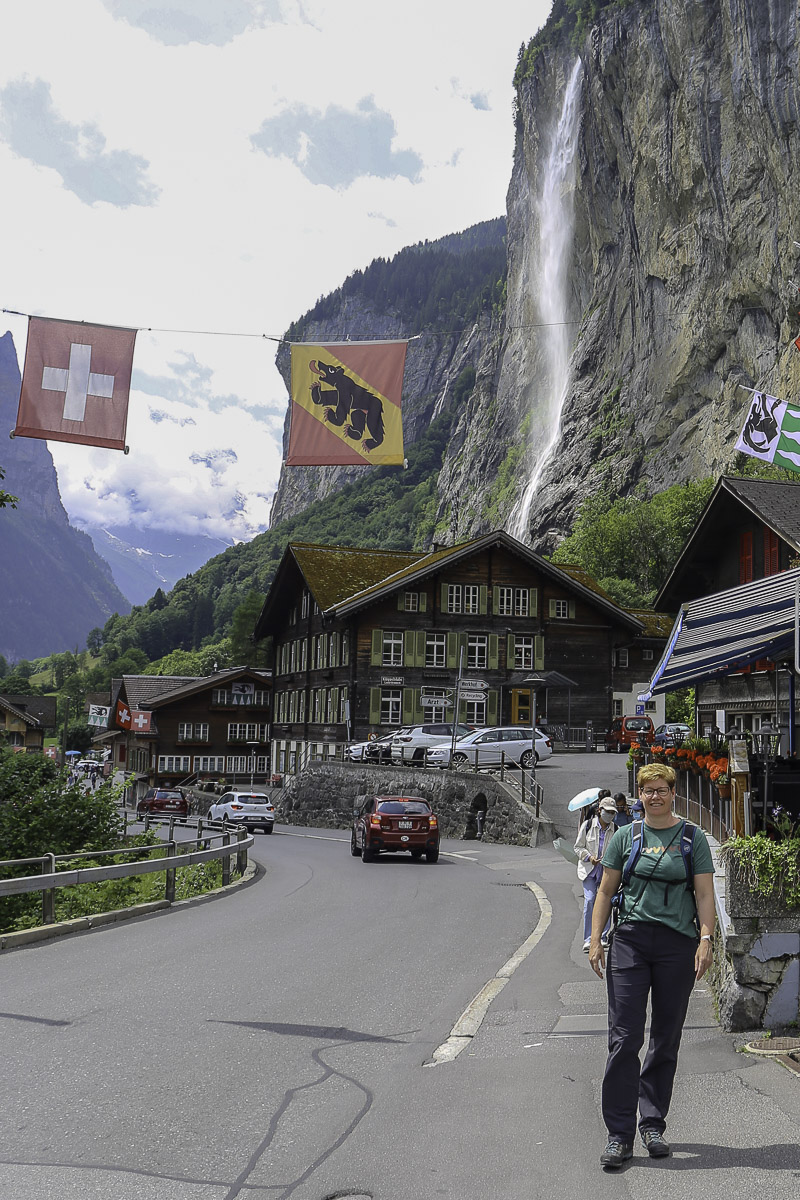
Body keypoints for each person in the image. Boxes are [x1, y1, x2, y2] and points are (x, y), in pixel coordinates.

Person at [589, 763, 715, 1169]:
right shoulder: (625, 837)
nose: (655, 796)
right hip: (630, 942)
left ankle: (653, 1123)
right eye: (648, 791)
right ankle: (619, 1135)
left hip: (677, 944)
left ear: (673, 792)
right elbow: (605, 892)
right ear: (639, 795)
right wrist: (595, 940)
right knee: (624, 1037)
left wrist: (706, 939)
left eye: (662, 790)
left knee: (665, 1036)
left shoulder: (692, 838)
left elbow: (704, 894)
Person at [574, 796, 617, 952]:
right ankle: (588, 939)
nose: (610, 815)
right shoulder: (588, 826)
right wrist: (589, 857)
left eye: (613, 812)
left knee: (606, 902)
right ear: (600, 810)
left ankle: (603, 937)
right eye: (608, 812)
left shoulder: (616, 829)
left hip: (607, 872)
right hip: (589, 871)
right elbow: (577, 847)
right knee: (590, 900)